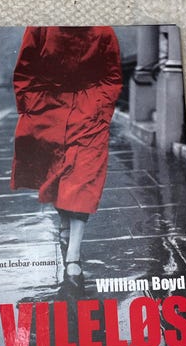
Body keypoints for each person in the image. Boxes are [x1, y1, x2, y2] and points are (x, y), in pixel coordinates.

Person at [10, 26, 122, 288]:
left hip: (89, 111)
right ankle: (64, 225)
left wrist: (101, 108)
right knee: (57, 177)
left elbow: (112, 75)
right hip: (48, 109)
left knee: (84, 178)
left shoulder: (102, 31)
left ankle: (74, 257)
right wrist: (31, 106)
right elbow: (25, 68)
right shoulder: (40, 27)